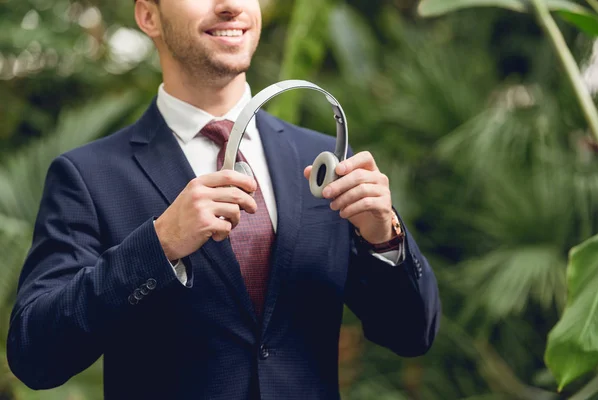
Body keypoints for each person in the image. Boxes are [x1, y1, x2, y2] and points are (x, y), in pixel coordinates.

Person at [6, 0, 441, 399]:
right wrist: (159, 245)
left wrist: (384, 239)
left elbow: (411, 335)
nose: (231, 6)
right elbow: (35, 355)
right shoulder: (87, 176)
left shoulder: (324, 158)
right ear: (148, 16)